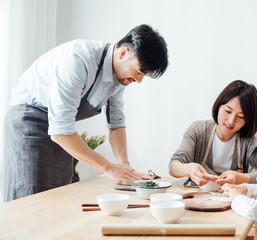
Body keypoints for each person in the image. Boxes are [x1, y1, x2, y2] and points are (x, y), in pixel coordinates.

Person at [3, 24, 168, 201]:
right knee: (31, 198)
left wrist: (124, 167)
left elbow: (116, 123)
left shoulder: (120, 78)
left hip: (61, 130)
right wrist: (109, 168)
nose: (139, 80)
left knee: (59, 197)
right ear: (123, 53)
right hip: (28, 122)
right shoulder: (78, 60)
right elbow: (60, 130)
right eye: (139, 72)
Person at [169, 80, 257, 187]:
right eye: (227, 111)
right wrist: (190, 169)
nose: (231, 121)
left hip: (234, 199)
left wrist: (238, 177)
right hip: (198, 197)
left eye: (240, 117)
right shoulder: (198, 130)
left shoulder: (250, 138)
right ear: (218, 107)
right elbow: (173, 166)